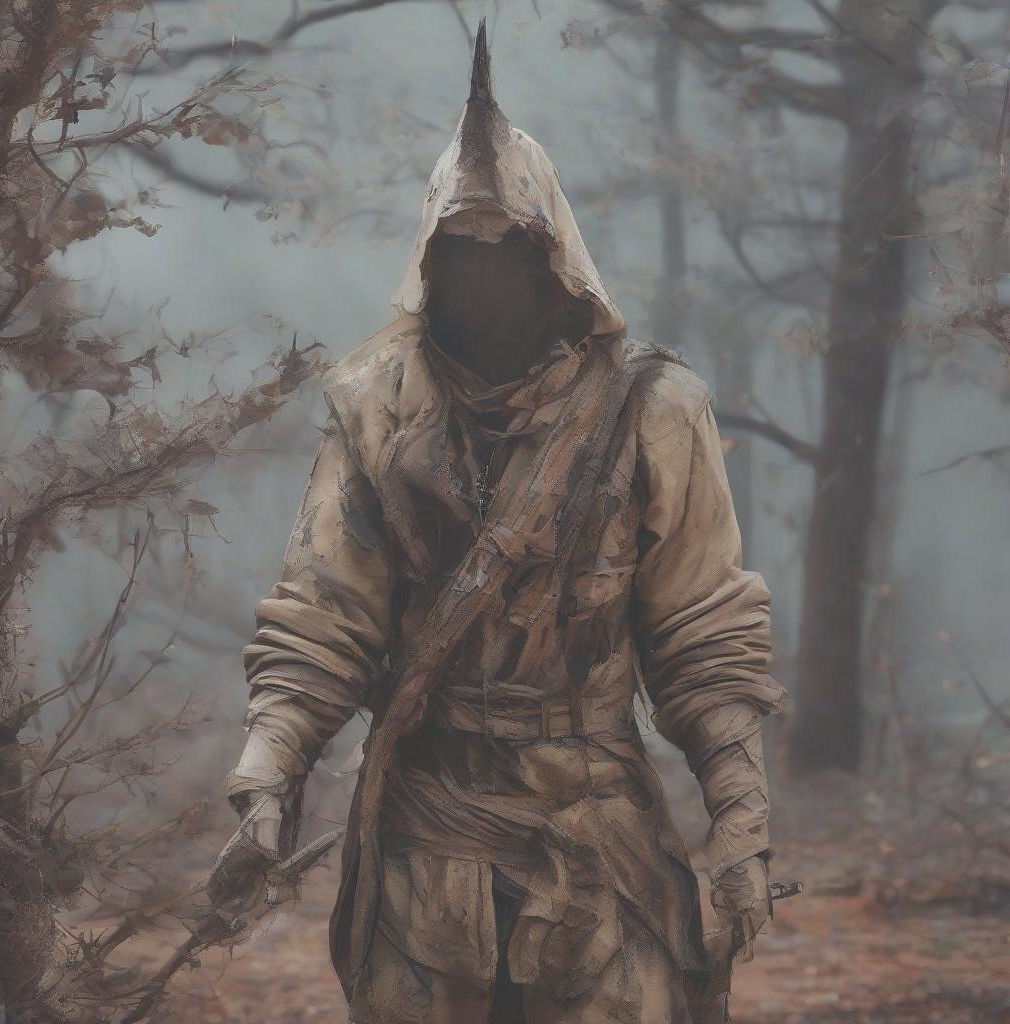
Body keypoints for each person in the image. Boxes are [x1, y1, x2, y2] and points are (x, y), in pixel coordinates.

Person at [210, 21, 785, 1024]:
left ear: (553, 255)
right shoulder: (377, 407)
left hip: (598, 842)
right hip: (425, 847)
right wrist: (267, 773)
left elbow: (702, 631)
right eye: (459, 251)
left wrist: (739, 812)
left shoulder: (652, 408)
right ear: (427, 259)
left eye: (508, 249)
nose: (485, 274)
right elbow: (322, 615)